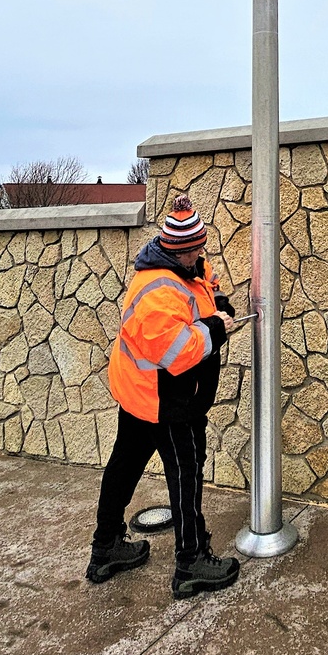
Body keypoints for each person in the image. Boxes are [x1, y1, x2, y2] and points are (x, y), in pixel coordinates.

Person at [86, 193, 242, 597]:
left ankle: (106, 549)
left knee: (124, 466)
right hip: (166, 399)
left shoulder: (183, 266)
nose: (200, 256)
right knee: (185, 474)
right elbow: (176, 353)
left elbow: (206, 282)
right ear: (176, 249)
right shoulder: (157, 289)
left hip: (140, 392)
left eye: (200, 248)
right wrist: (217, 327)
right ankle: (190, 563)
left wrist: (217, 301)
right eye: (194, 251)